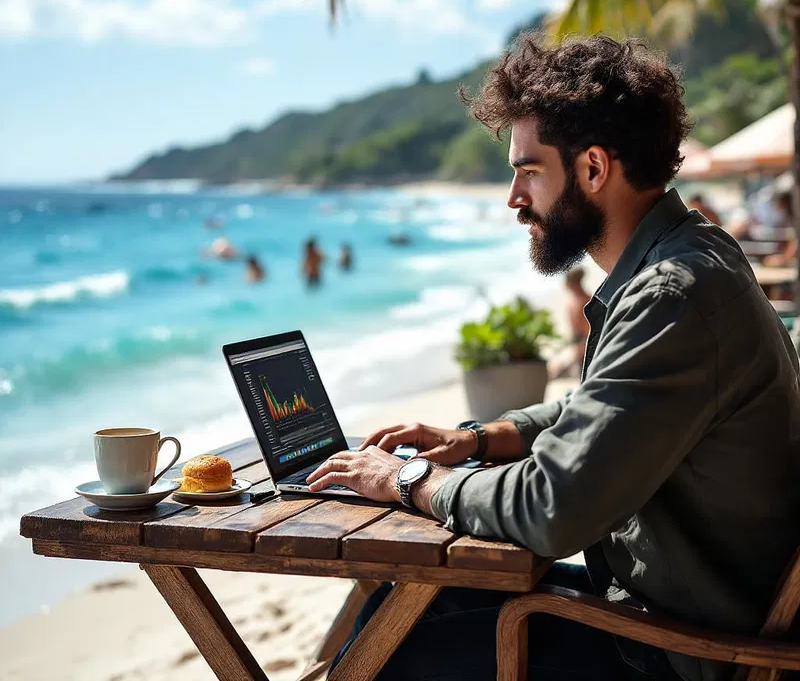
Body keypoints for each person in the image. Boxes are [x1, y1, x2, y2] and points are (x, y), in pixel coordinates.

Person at [306, 35, 800, 681]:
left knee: (392, 656)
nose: (514, 198)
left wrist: (406, 482)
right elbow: (599, 407)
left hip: (684, 651)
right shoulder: (693, 254)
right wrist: (477, 440)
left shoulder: (673, 293)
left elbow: (550, 508)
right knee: (407, 606)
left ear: (594, 169)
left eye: (528, 170)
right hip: (676, 611)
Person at [549, 266, 591, 379]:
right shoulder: (575, 303)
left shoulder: (585, 302)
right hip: (578, 344)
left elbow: (590, 334)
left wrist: (573, 355)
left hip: (586, 346)